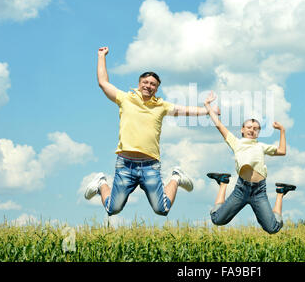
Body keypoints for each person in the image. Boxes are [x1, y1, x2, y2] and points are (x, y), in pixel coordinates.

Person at [84, 46, 220, 217]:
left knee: (162, 209)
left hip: (150, 165)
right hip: (125, 164)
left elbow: (184, 110)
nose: (149, 86)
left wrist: (207, 111)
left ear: (157, 88)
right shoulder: (125, 99)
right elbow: (103, 83)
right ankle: (102, 183)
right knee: (113, 209)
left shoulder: (161, 106)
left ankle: (176, 178)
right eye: (146, 82)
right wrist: (101, 56)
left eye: (153, 84)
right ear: (139, 84)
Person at [204, 91, 296, 234]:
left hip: (259, 191)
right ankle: (223, 183)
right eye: (249, 127)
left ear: (258, 132)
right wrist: (207, 105)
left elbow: (282, 151)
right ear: (242, 130)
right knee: (217, 219)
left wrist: (282, 130)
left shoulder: (261, 146)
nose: (252, 130)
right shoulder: (236, 143)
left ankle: (280, 193)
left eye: (255, 128)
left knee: (273, 228)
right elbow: (218, 125)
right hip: (241, 189)